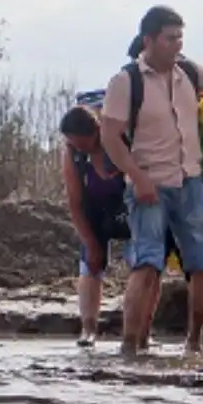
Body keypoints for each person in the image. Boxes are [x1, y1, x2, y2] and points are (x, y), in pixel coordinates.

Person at [99, 5, 203, 357]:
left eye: (180, 37)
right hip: (149, 183)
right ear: (149, 40)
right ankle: (130, 345)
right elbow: (110, 136)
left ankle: (197, 344)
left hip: (190, 180)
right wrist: (137, 178)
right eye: (170, 38)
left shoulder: (189, 73)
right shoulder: (125, 81)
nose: (177, 45)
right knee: (147, 263)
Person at [59, 104, 129, 347]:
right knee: (90, 264)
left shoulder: (118, 141)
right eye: (73, 144)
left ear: (97, 131)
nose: (79, 149)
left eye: (83, 143)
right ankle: (88, 329)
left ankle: (136, 330)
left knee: (141, 262)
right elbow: (75, 204)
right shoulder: (73, 155)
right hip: (94, 210)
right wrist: (91, 243)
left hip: (126, 205)